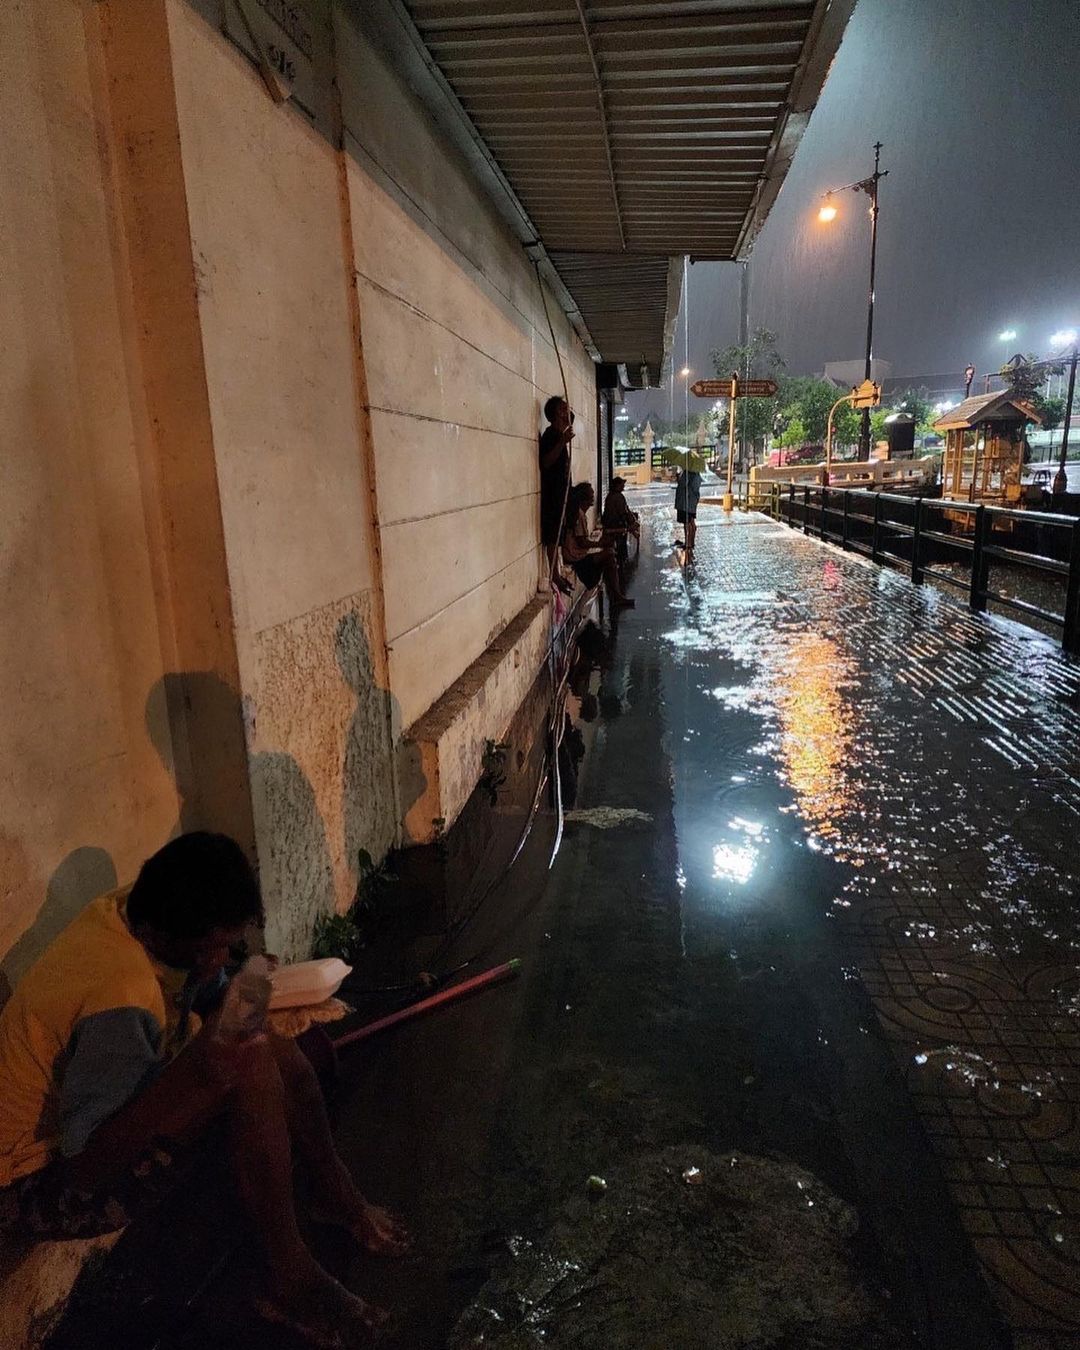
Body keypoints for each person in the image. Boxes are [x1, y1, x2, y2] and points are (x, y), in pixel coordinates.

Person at [0, 832, 406, 1346]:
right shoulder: (120, 997)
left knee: (269, 1042)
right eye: (213, 949)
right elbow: (87, 1166)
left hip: (88, 1134)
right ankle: (291, 1277)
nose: (223, 959)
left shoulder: (136, 909)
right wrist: (197, 1072)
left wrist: (250, 993)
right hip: (32, 1181)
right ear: (170, 935)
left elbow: (213, 996)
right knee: (249, 1060)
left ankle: (335, 1190)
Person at [562, 482, 634, 608]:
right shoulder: (579, 515)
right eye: (591, 494)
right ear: (585, 498)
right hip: (575, 557)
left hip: (576, 554)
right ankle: (616, 596)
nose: (593, 496)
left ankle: (615, 595)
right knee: (609, 554)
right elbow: (582, 542)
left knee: (609, 556)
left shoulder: (580, 513)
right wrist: (600, 543)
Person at [539, 396, 574, 586]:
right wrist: (562, 442)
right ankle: (554, 575)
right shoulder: (551, 435)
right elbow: (545, 462)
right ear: (554, 414)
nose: (566, 411)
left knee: (559, 534)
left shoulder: (560, 433)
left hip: (562, 494)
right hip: (552, 495)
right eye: (562, 409)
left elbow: (572, 418)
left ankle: (558, 570)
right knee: (553, 535)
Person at [601, 476, 640, 564]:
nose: (624, 486)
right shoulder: (618, 497)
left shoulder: (611, 496)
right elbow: (623, 513)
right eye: (622, 484)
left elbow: (626, 510)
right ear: (617, 485)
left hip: (610, 522)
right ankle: (621, 560)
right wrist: (632, 527)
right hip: (615, 524)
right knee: (621, 545)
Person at [675, 463, 702, 556]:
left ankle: (688, 543)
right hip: (692, 500)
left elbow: (683, 484)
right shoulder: (696, 472)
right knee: (691, 521)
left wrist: (678, 478)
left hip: (686, 501)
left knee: (687, 522)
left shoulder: (688, 472)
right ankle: (691, 542)